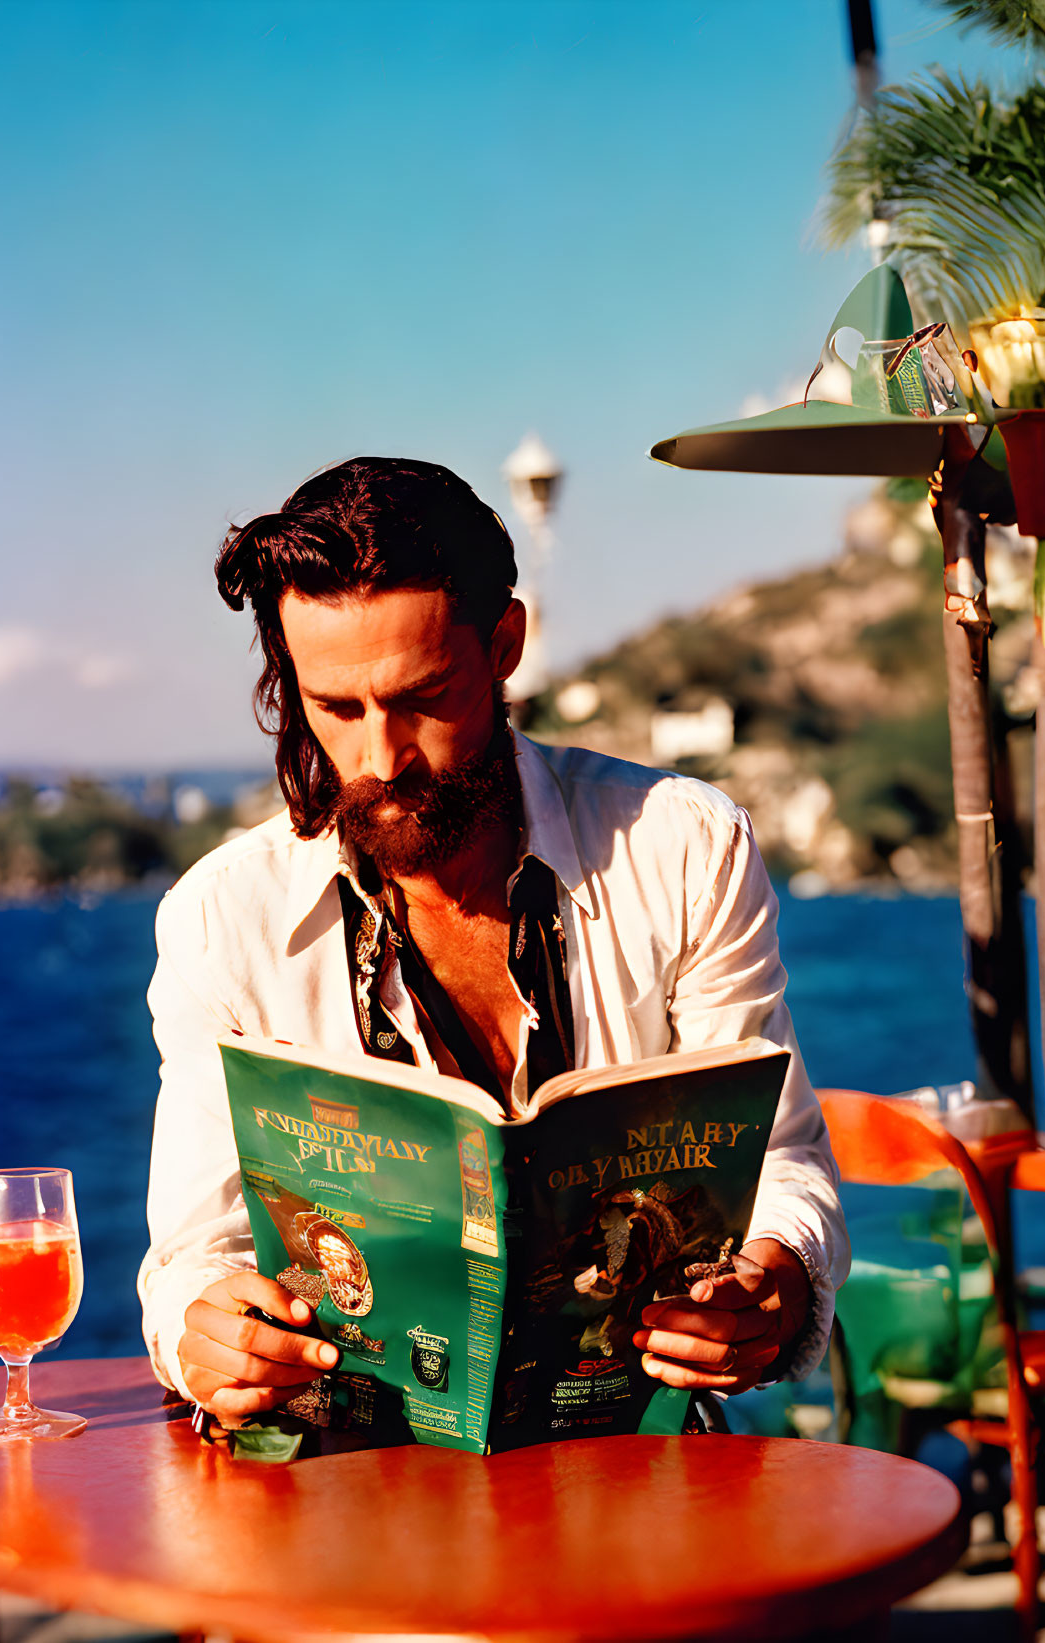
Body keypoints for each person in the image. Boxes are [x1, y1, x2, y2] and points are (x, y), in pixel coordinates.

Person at [138, 456, 849, 1431]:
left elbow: (781, 1156)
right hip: (344, 1479)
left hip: (632, 1465)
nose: (381, 759)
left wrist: (779, 1282)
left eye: (422, 697)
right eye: (336, 708)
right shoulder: (221, 918)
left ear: (506, 642)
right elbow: (190, 1254)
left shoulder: (682, 848)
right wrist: (202, 1330)